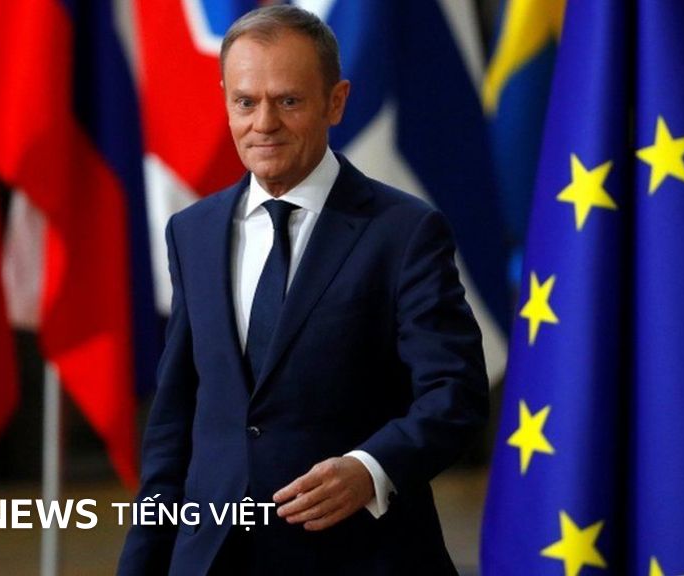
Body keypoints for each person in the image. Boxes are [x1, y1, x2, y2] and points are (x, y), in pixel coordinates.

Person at [117, 5, 488, 575]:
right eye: (246, 102)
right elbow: (175, 424)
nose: (263, 123)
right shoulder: (192, 232)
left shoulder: (404, 232)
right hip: (213, 557)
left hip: (359, 555)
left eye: (288, 101)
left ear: (335, 102)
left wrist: (370, 469)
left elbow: (455, 394)